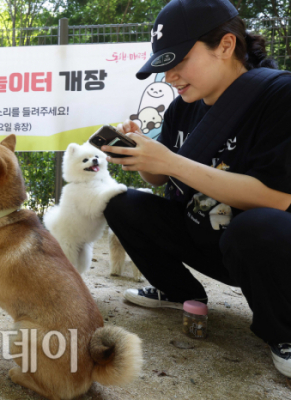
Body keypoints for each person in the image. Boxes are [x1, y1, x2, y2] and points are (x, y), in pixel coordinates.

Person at [102, 0, 291, 378]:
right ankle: (178, 291)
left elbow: (277, 198)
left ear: (225, 45)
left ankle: (283, 332)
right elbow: (164, 180)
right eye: (163, 67)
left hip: (262, 248)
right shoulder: (182, 108)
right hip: (206, 235)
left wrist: (171, 161)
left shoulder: (279, 96)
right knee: (120, 203)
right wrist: (143, 158)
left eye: (179, 62)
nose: (170, 76)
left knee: (256, 228)